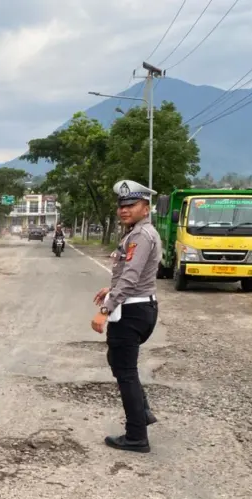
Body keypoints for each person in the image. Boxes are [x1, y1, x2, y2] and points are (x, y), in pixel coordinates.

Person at [91, 180, 162, 453]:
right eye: (121, 205)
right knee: (119, 362)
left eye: (131, 205)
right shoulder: (137, 233)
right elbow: (134, 274)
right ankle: (142, 413)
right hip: (138, 307)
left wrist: (105, 310)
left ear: (145, 207)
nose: (124, 210)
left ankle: (136, 436)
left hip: (132, 312)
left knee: (126, 372)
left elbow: (132, 277)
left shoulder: (141, 235)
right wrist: (110, 289)